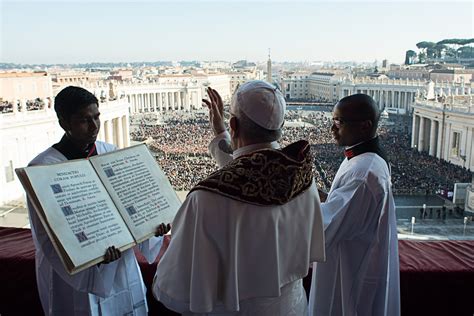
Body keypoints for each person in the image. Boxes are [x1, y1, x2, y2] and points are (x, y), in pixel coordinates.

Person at [153, 80, 325, 315]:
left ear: (233, 123)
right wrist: (221, 133)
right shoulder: (303, 176)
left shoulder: (206, 198)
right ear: (281, 125)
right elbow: (253, 174)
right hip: (293, 307)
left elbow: (174, 290)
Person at [27, 86, 169, 316]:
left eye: (96, 117)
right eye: (84, 120)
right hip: (78, 279)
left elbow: (130, 204)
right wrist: (93, 258)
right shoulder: (43, 169)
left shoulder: (109, 153)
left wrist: (152, 228)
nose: (94, 126)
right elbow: (46, 235)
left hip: (120, 261)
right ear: (65, 123)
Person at [308, 94, 400, 316]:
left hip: (349, 278)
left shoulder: (363, 172)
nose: (332, 128)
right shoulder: (362, 157)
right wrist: (313, 192)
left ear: (364, 126)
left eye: (339, 121)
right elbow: (342, 205)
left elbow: (324, 228)